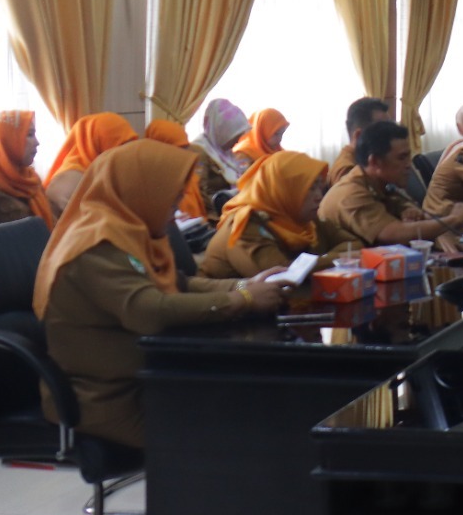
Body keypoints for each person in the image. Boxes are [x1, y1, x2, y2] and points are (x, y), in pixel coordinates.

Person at [34, 140, 283, 448]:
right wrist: (242, 300)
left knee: (253, 409)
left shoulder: (128, 228)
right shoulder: (95, 245)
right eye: (172, 200)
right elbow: (149, 311)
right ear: (141, 190)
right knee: (235, 436)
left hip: (154, 376)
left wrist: (244, 285)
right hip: (107, 399)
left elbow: (178, 283)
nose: (175, 211)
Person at [318, 120, 463, 246]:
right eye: (402, 158)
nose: (409, 165)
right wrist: (454, 219)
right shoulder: (351, 193)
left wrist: (409, 211)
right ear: (375, 162)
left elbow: (412, 212)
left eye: (408, 156)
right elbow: (394, 234)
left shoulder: (381, 183)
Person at [200, 150, 350, 278]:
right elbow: (281, 275)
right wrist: (337, 259)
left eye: (319, 187)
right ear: (283, 190)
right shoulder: (244, 223)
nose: (319, 196)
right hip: (234, 292)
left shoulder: (301, 216)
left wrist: (322, 260)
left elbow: (352, 243)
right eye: (310, 188)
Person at [45, 112, 139, 214]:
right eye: (121, 146)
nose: (128, 154)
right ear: (98, 143)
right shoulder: (71, 184)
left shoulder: (95, 172)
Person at [189, 98, 249, 218]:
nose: (237, 141)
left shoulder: (225, 152)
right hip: (215, 216)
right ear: (221, 132)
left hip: (232, 210)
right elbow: (200, 193)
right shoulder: (199, 151)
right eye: (234, 135)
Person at [145, 119, 208, 220]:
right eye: (177, 150)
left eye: (185, 148)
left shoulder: (190, 176)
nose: (182, 155)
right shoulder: (146, 185)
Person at [331, 96, 391, 185]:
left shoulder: (365, 160)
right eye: (383, 131)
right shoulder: (347, 170)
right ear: (359, 135)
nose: (390, 136)